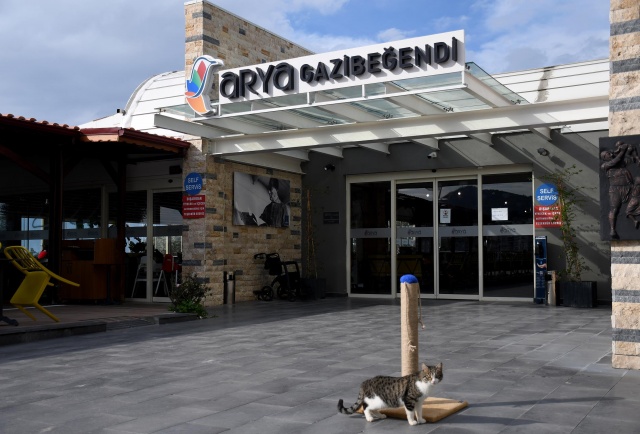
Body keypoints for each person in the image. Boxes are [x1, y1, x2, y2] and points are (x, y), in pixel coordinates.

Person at [601, 141, 634, 239]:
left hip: (628, 187)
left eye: (610, 153)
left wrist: (628, 150)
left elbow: (629, 160)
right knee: (614, 209)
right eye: (608, 154)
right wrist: (622, 151)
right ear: (604, 158)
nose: (610, 154)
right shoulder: (605, 165)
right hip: (615, 190)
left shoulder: (621, 162)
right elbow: (616, 160)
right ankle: (612, 229)